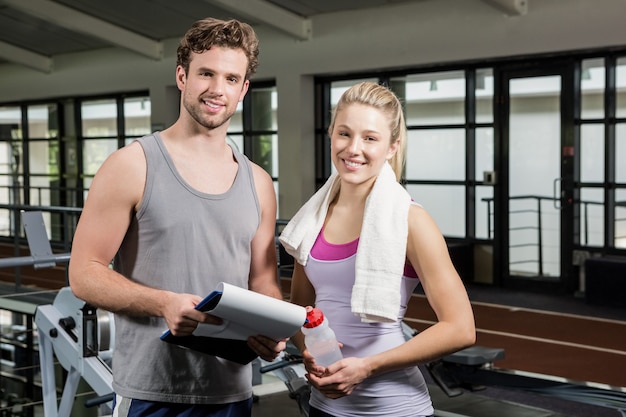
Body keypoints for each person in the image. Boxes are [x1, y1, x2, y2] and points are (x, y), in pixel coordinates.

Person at [68, 17, 285, 417]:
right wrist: (163, 303)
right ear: (182, 76)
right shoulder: (131, 165)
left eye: (231, 79)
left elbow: (264, 281)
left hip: (232, 393)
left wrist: (272, 327)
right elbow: (83, 273)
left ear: (244, 90)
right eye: (206, 73)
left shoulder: (258, 182)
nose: (217, 89)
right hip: (152, 392)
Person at [279, 81, 476, 417]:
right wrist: (307, 349)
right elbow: (302, 310)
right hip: (322, 406)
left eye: (370, 138)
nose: (353, 149)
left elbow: (460, 328)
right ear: (330, 135)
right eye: (344, 134)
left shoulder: (411, 220)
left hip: (393, 408)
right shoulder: (312, 218)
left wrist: (368, 367)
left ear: (391, 147)